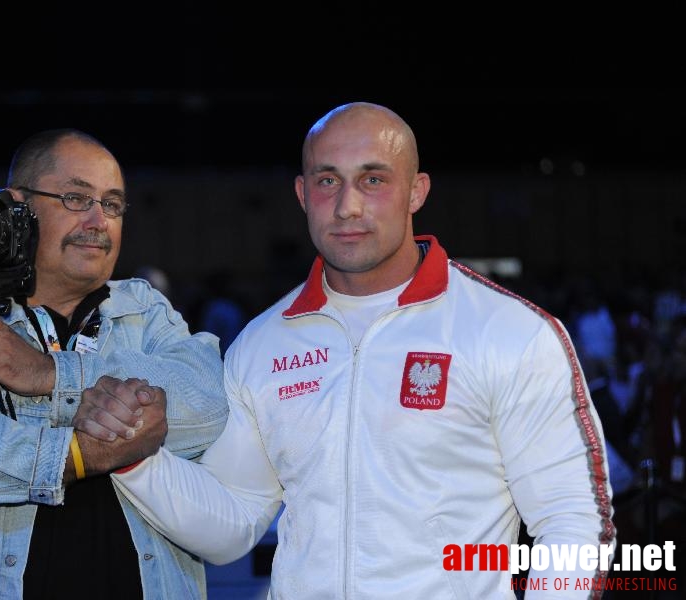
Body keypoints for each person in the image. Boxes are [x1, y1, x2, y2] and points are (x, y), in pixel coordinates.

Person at [85, 102, 617, 598]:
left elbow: (573, 523)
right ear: (301, 194)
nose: (347, 206)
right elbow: (234, 522)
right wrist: (136, 459)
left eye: (373, 179)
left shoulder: (508, 331)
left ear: (416, 191)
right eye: (327, 181)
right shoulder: (263, 344)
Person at [0, 129, 229, 599]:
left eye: (113, 204)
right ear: (18, 206)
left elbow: (209, 403)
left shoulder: (144, 312)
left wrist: (50, 375)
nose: (99, 220)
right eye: (77, 198)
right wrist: (81, 454)